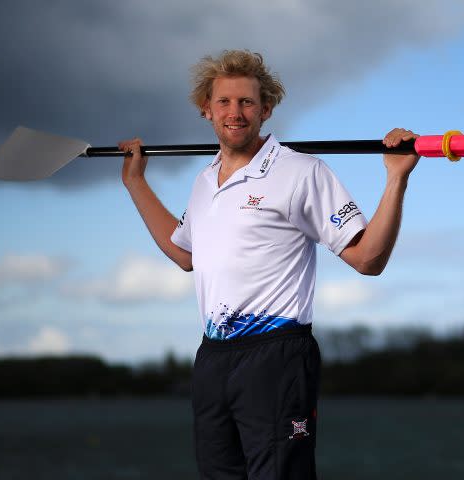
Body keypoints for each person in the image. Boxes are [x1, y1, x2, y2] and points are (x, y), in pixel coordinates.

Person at [119, 49, 419, 480]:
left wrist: (395, 177)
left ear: (266, 109)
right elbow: (186, 254)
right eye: (224, 101)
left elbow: (368, 258)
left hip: (276, 357)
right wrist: (136, 183)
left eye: (246, 102)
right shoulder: (206, 182)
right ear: (206, 110)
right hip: (212, 357)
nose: (235, 112)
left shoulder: (302, 172)